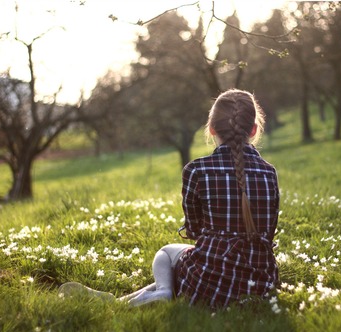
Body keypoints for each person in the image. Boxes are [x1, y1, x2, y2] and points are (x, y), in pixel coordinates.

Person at [59, 89, 280, 308]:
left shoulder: (197, 170)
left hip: (207, 286)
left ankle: (160, 292)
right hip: (261, 286)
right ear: (253, 130)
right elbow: (267, 234)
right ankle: (117, 303)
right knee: (192, 264)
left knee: (167, 253)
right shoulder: (269, 174)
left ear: (212, 129)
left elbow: (194, 231)